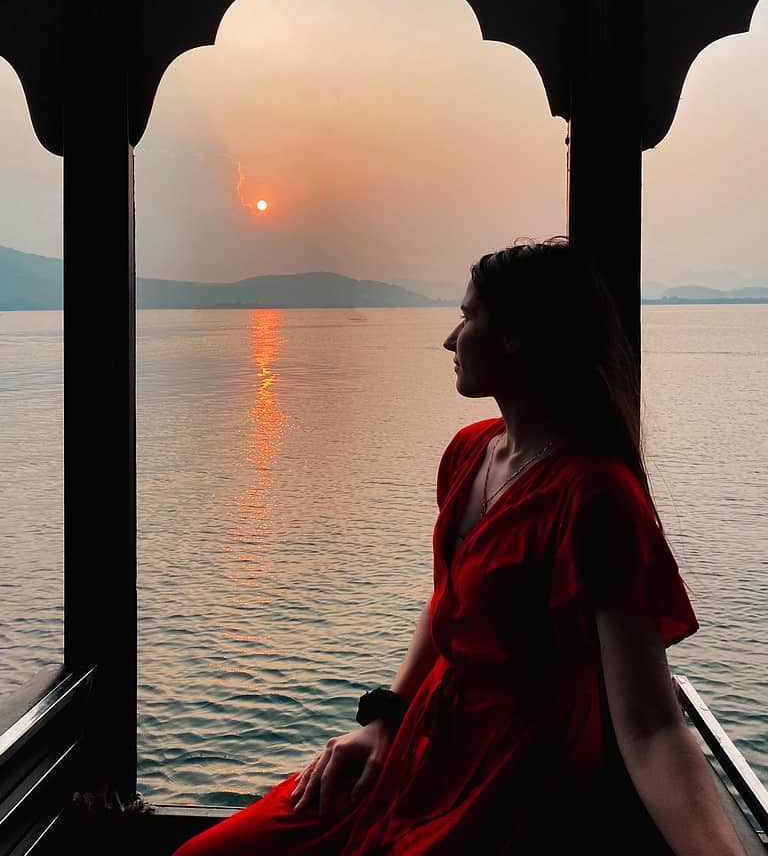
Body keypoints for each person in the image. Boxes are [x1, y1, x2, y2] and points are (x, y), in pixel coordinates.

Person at [172, 237, 747, 856]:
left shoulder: (596, 496)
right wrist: (384, 721)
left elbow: (654, 727)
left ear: (517, 337)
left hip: (509, 778)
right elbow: (448, 599)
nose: (451, 339)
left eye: (469, 317)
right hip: (420, 741)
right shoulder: (471, 451)